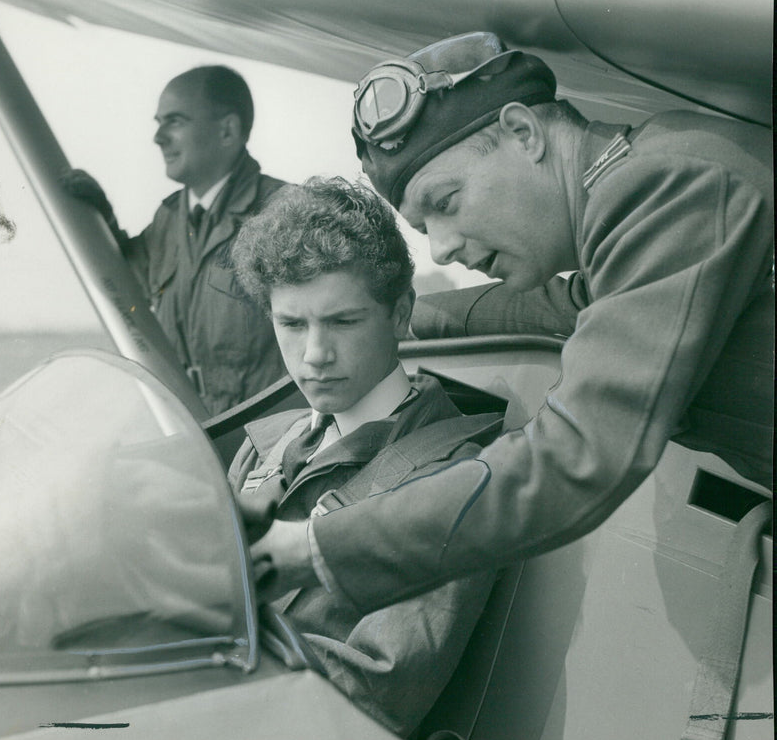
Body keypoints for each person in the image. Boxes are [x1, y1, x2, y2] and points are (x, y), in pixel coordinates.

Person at [250, 30, 774, 613]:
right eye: (424, 229)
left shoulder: (671, 188)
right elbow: (553, 307)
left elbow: (571, 459)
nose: (443, 250)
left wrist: (313, 548)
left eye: (445, 202)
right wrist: (374, 316)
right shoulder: (638, 196)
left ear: (523, 132)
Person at [227, 176, 500, 735]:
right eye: (291, 324)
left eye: (344, 321)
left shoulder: (452, 481)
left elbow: (374, 693)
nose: (315, 355)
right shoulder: (265, 449)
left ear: (401, 314)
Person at [63, 65, 288, 415]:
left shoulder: (284, 214)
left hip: (266, 438)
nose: (158, 137)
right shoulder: (168, 220)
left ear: (227, 130)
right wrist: (100, 222)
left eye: (175, 121)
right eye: (158, 123)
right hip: (194, 434)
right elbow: (128, 285)